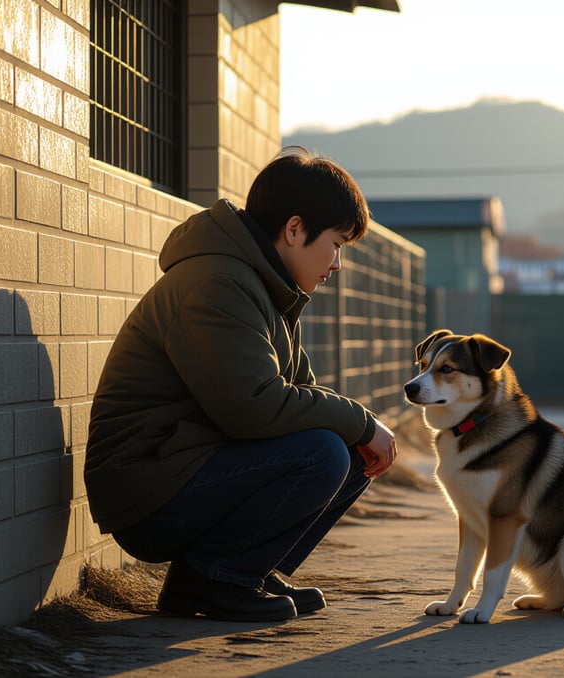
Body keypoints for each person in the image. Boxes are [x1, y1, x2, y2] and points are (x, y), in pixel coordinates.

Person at [84, 147, 398, 622]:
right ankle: (216, 579)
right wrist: (362, 421)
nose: (337, 264)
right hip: (148, 492)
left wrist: (361, 428)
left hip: (188, 469)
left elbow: (304, 396)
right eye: (335, 244)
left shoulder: (268, 290)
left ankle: (243, 570)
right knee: (326, 451)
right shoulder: (217, 283)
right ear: (294, 230)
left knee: (349, 450)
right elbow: (253, 406)